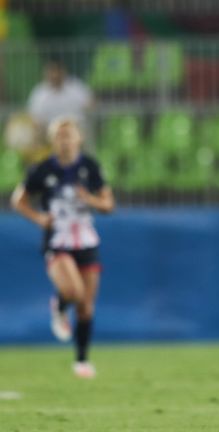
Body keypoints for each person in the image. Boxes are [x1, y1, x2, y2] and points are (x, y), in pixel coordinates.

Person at [10, 117, 114, 379]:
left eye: (69, 135)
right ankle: (58, 306)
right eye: (59, 136)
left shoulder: (90, 167)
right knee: (73, 290)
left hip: (86, 240)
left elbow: (108, 205)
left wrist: (90, 199)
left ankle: (81, 360)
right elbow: (18, 201)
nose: (65, 141)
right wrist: (39, 218)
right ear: (52, 140)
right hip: (57, 240)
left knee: (86, 307)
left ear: (79, 138)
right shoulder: (42, 170)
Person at [27, 58, 94, 150]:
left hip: (77, 134)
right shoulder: (39, 94)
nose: (55, 75)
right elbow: (35, 120)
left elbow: (91, 106)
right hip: (49, 138)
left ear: (63, 72)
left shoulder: (76, 88)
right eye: (51, 71)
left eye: (57, 71)